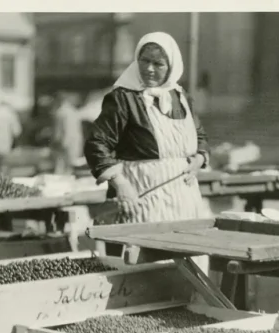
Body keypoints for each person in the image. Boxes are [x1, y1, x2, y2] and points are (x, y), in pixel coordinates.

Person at [84, 32, 211, 257]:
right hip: (140, 196)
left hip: (183, 197)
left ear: (171, 66)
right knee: (144, 261)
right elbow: (97, 143)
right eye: (145, 61)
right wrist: (121, 185)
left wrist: (198, 159)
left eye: (158, 64)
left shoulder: (181, 98)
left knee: (184, 261)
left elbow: (200, 137)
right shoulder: (123, 98)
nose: (150, 69)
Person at [50, 92, 84, 175]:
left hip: (64, 142)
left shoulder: (61, 112)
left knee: (61, 167)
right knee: (70, 166)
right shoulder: (73, 111)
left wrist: (61, 142)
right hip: (74, 141)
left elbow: (62, 129)